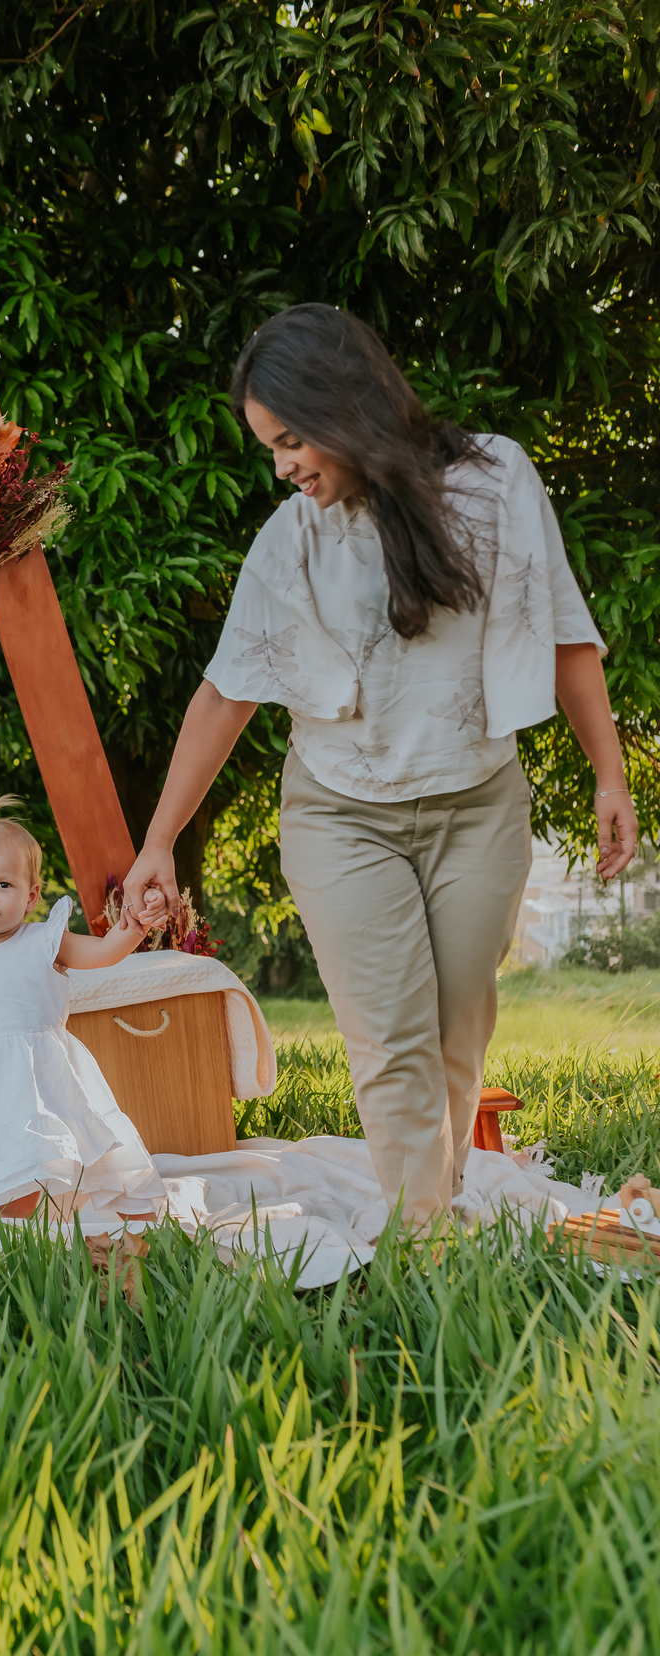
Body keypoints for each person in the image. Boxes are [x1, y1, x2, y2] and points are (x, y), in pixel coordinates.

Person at [123, 303, 637, 1232]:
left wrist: (610, 774)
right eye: (269, 448)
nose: (281, 466)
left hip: (478, 806)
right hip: (342, 814)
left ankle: (431, 1212)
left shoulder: (494, 482)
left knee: (455, 1033)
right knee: (392, 1039)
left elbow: (565, 628)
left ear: (343, 404)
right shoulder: (294, 539)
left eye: (289, 440)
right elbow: (225, 694)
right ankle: (422, 1249)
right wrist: (159, 841)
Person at [0, 799, 170, 1221]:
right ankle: (19, 1242)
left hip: (49, 1073)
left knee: (96, 1154)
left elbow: (105, 952)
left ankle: (140, 1229)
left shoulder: (41, 940)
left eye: (4, 885)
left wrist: (135, 927)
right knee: (12, 1166)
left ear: (31, 895)